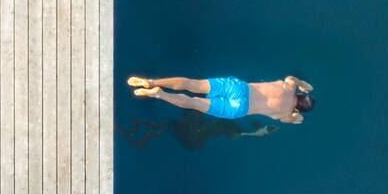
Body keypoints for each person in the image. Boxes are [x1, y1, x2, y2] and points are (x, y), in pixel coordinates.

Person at [126, 74, 313, 123]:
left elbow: (294, 79)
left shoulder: (288, 86)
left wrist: (303, 84)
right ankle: (159, 94)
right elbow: (292, 120)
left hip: (240, 88)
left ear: (301, 94)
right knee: (194, 103)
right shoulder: (285, 113)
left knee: (193, 84)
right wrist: (296, 117)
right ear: (298, 108)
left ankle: (151, 82)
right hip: (239, 108)